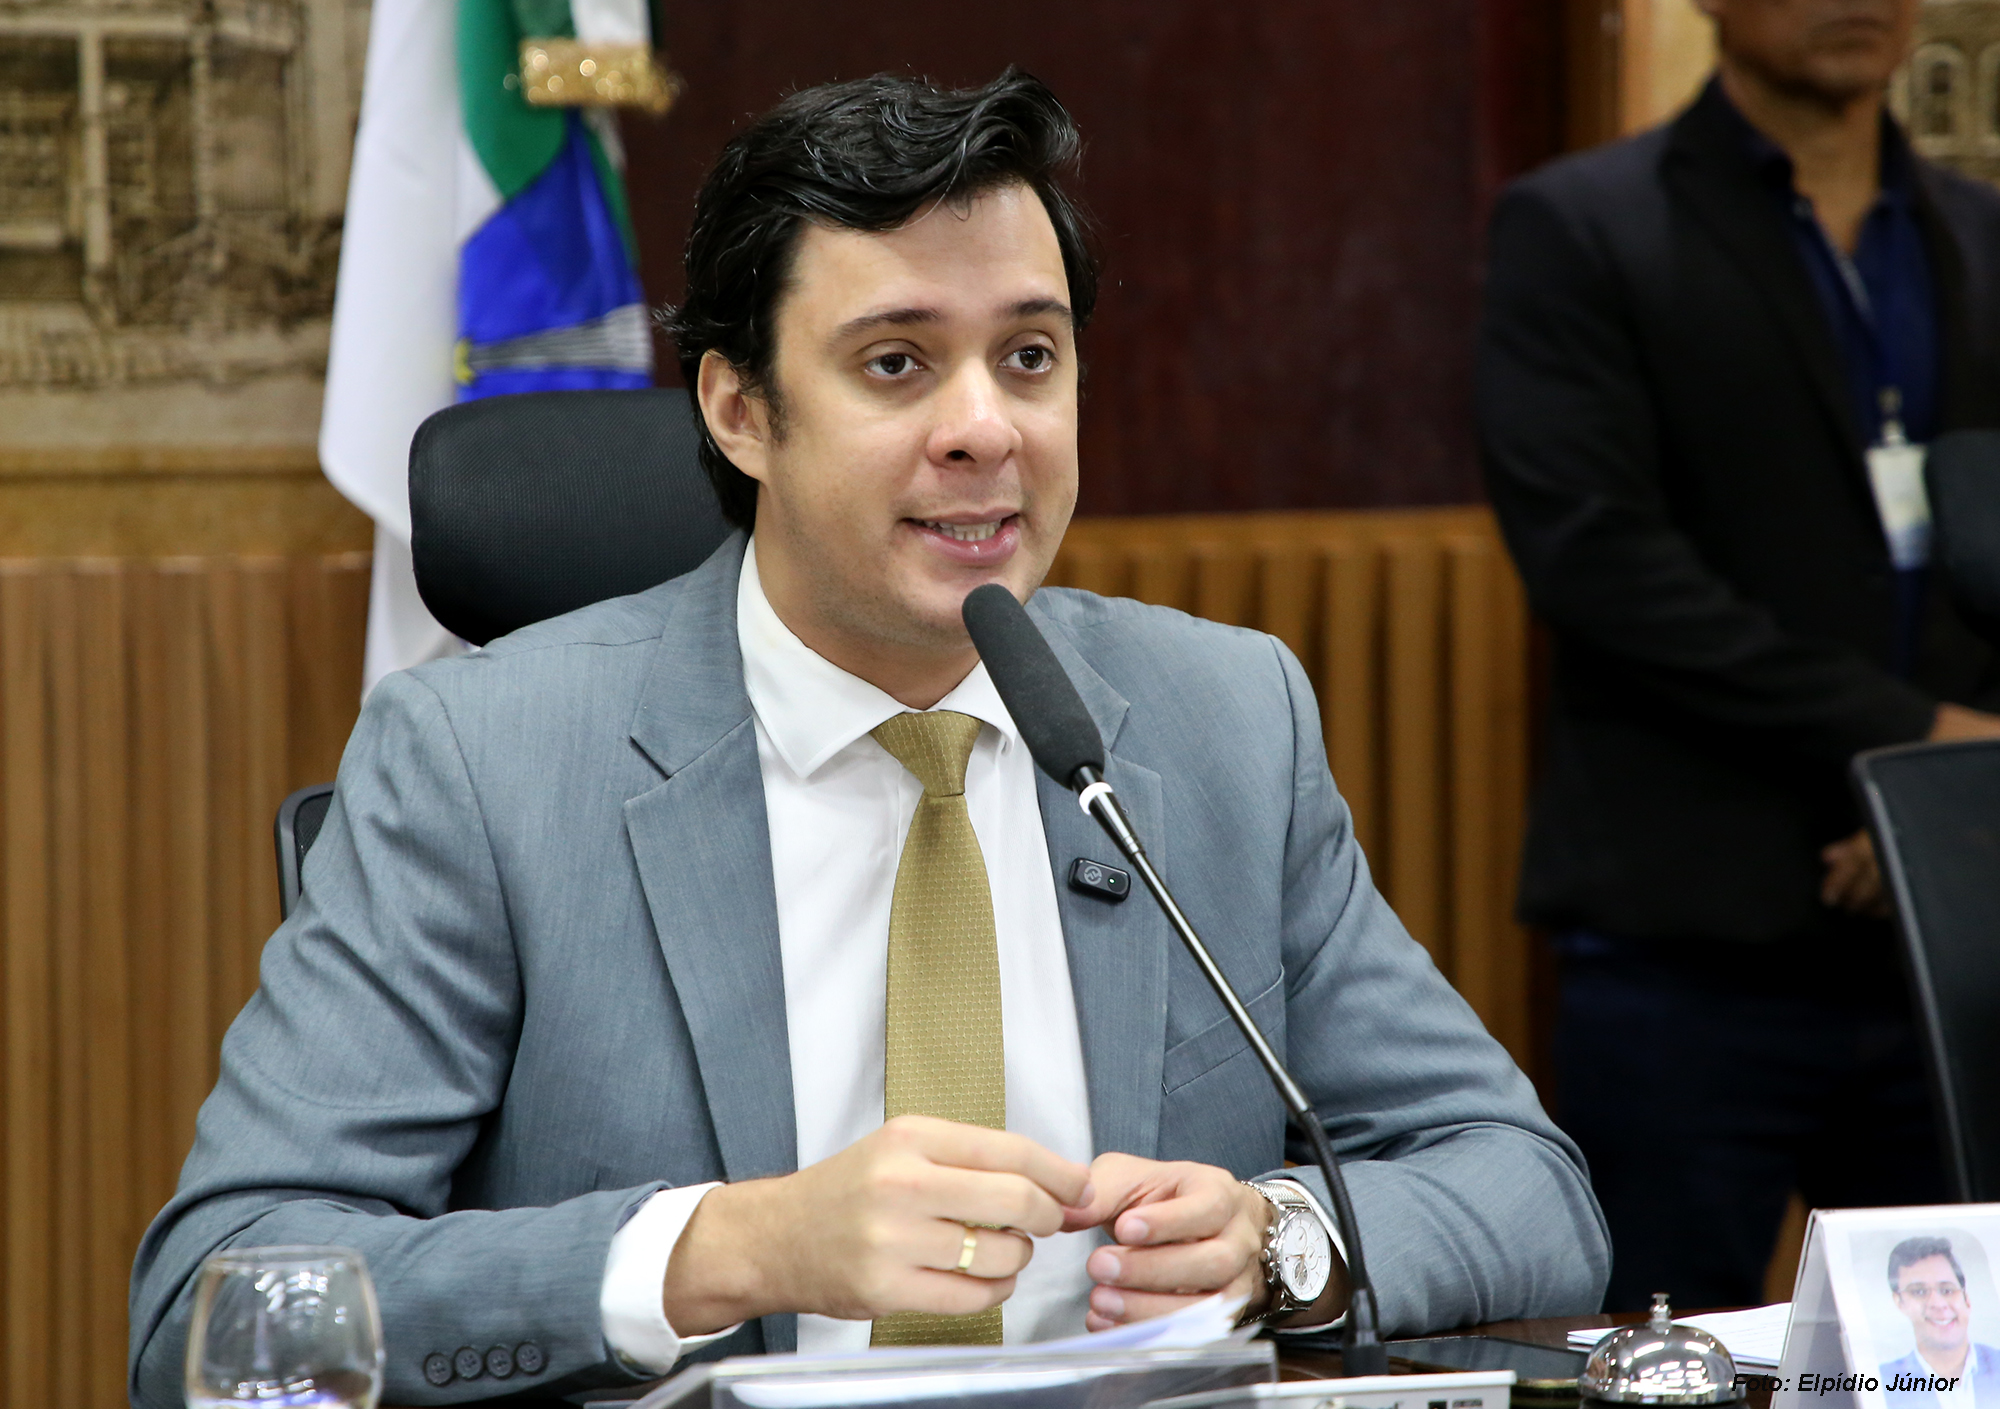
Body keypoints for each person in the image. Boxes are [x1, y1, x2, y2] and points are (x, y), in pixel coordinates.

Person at [131, 70, 1608, 1406]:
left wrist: (1275, 1239)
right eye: (897, 363)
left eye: (1029, 356)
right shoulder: (483, 760)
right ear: (740, 411)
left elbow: (1525, 1187)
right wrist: (729, 1246)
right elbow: (221, 1292)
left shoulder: (1220, 717)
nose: (986, 429)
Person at [1478, 0, 2000, 1313]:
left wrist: (1935, 803)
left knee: (1947, 1368)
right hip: (1690, 934)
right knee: (1660, 1355)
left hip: (1948, 935)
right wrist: (1908, 749)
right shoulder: (1582, 226)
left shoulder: (1980, 234)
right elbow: (1602, 565)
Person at [1881, 1237, 2000, 1407]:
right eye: (1919, 1292)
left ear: (1967, 1299)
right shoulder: (1881, 1383)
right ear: (1899, 1302)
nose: (1938, 1304)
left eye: (1947, 1290)